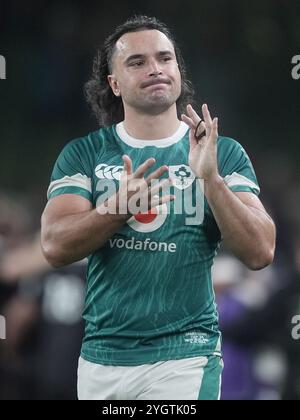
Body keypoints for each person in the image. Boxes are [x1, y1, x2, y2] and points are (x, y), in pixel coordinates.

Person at [41, 15, 276, 400]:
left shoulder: (223, 153)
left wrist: (211, 180)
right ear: (114, 84)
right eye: (137, 62)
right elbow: (53, 246)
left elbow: (261, 251)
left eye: (165, 59)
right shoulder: (84, 154)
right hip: (101, 359)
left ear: (178, 72)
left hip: (185, 356)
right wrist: (117, 208)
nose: (155, 69)